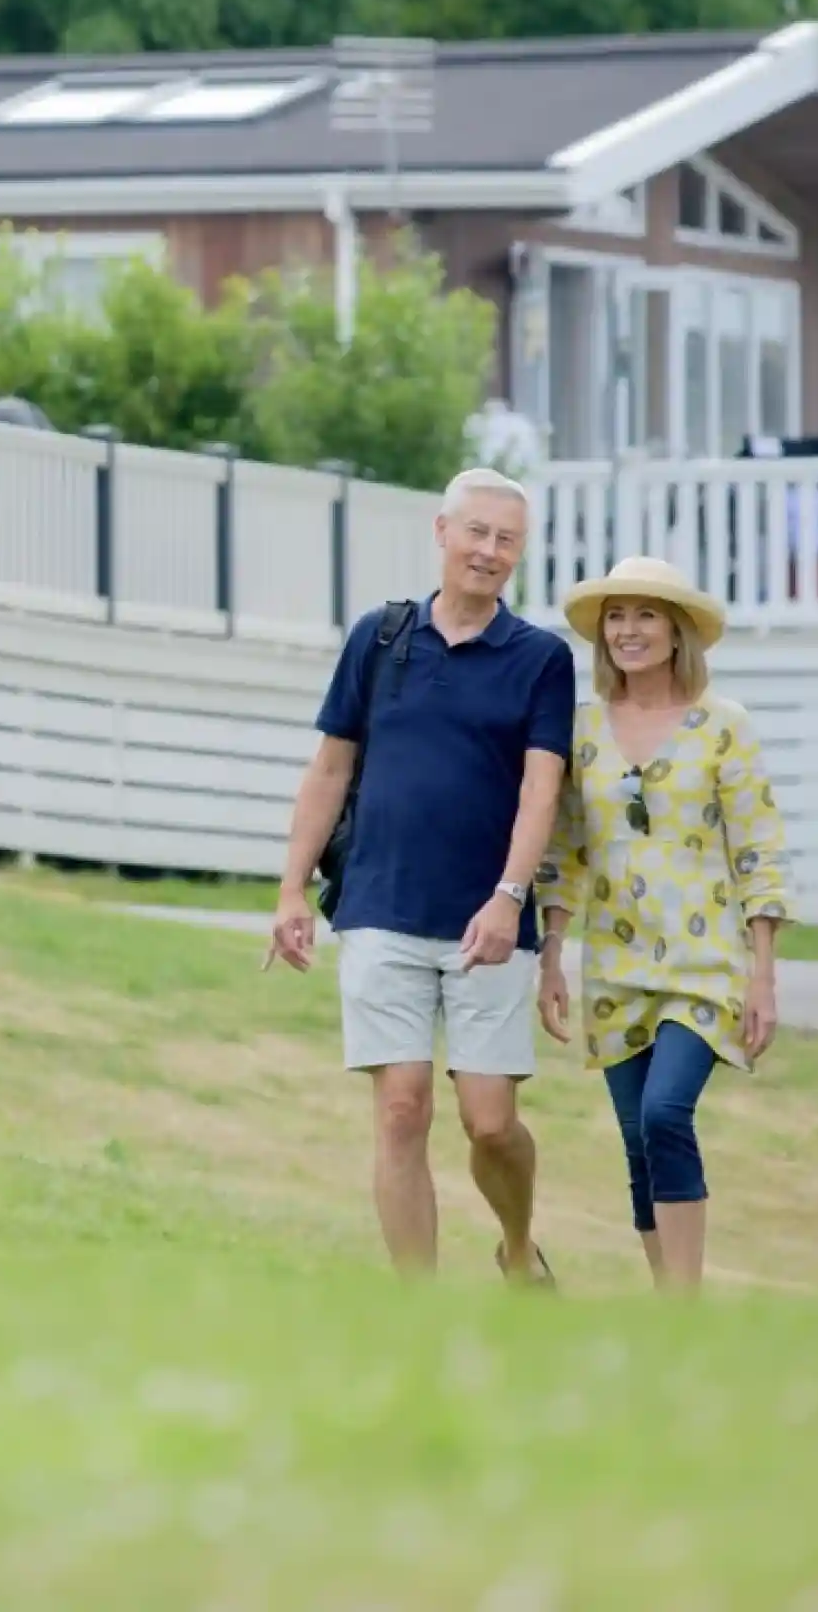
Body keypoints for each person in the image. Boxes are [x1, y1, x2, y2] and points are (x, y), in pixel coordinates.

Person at [269, 468, 574, 1282]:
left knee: (490, 1123)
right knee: (401, 1109)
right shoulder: (379, 638)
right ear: (442, 533)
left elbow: (543, 786)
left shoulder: (542, 658)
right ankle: (418, 1311)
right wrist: (292, 889)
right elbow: (330, 769)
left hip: (489, 923)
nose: (488, 551)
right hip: (379, 908)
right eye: (476, 532)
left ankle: (516, 1246)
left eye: (506, 539)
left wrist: (511, 899)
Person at [537, 555, 793, 1293]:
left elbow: (758, 849)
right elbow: (565, 851)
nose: (628, 630)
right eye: (616, 617)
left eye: (645, 615)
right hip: (616, 969)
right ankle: (668, 1311)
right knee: (637, 1143)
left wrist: (764, 977)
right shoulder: (582, 731)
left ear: (678, 630)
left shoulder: (724, 727)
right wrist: (552, 955)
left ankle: (686, 1304)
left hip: (706, 965)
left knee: (665, 1113)